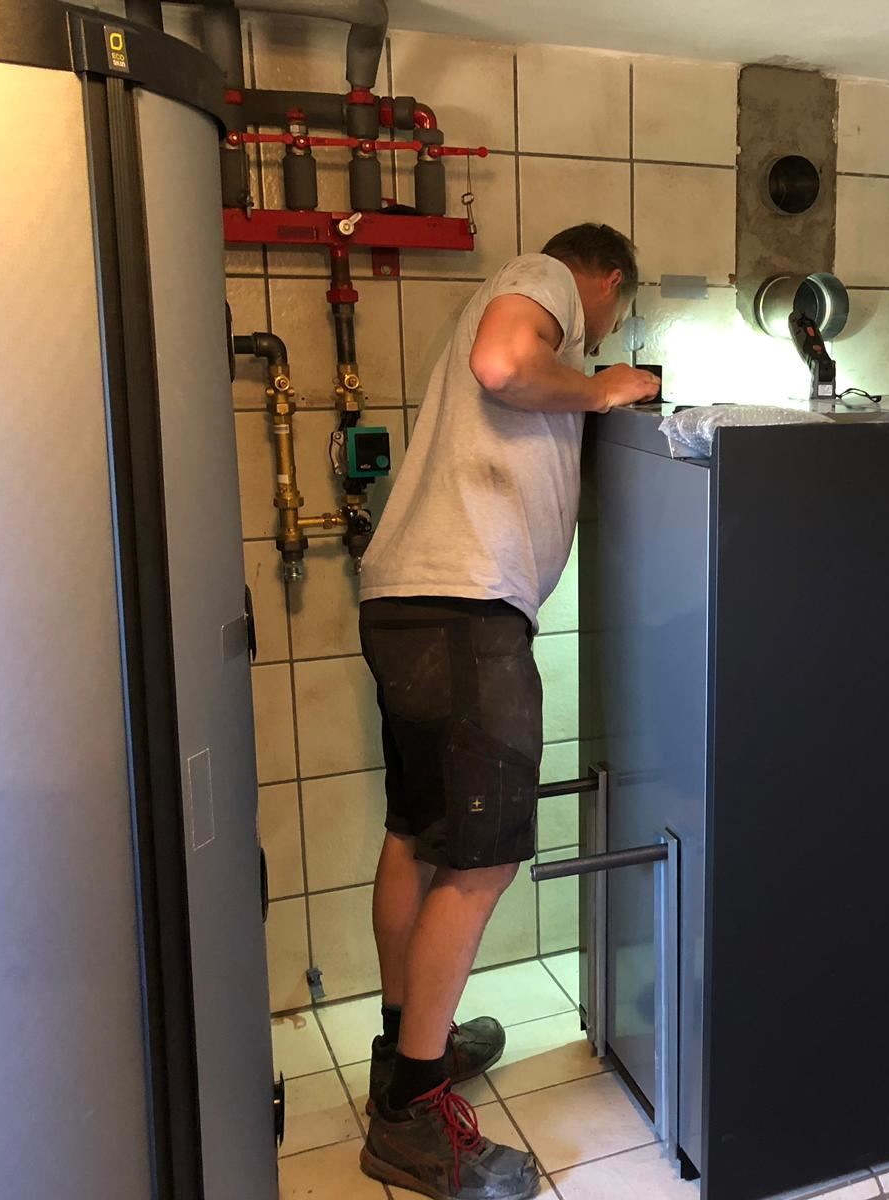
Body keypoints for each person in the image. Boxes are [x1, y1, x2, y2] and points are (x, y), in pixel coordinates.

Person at [353, 224, 660, 1199]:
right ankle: (412, 1115)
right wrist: (607, 387)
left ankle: (405, 1045)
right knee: (481, 860)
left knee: (416, 833)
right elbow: (504, 362)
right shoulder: (545, 279)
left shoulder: (514, 304)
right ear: (608, 281)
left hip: (407, 602)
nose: (601, 330)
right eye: (615, 311)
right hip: (467, 606)